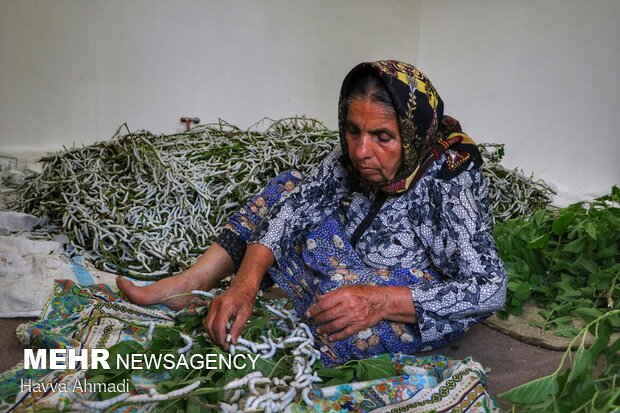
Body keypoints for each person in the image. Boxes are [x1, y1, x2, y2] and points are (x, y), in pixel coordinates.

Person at [118, 60, 507, 366]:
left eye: (382, 137)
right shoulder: (350, 156)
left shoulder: (450, 178)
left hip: (402, 289)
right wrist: (244, 285)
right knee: (287, 188)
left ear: (412, 133)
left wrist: (379, 300)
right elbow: (293, 209)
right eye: (353, 131)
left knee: (341, 324)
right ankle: (192, 284)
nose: (360, 151)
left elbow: (489, 288)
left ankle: (298, 308)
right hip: (342, 262)